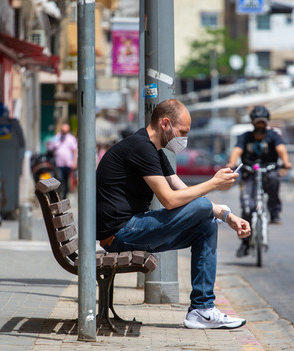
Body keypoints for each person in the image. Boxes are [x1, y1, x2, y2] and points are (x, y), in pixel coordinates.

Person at [96, 99, 251, 330]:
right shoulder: (141, 147)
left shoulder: (155, 151)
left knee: (206, 226)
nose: (184, 139)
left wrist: (228, 216)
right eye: (183, 132)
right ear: (165, 124)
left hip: (131, 229)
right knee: (201, 209)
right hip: (119, 234)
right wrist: (213, 183)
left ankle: (202, 310)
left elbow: (184, 191)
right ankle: (202, 309)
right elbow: (170, 200)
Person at [226, 105, 291, 258]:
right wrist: (231, 162)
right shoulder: (245, 137)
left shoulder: (273, 136)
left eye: (263, 122)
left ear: (267, 122)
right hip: (249, 173)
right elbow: (237, 151)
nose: (260, 125)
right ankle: (244, 243)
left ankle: (274, 212)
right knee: (247, 208)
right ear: (253, 122)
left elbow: (281, 149)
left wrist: (286, 162)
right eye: (257, 122)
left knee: (275, 179)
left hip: (269, 171)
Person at [47, 123, 78, 199]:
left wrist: (74, 162)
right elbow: (50, 148)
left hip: (68, 164)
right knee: (60, 179)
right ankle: (59, 195)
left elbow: (75, 151)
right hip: (58, 163)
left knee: (66, 180)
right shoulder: (56, 138)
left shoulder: (71, 139)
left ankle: (65, 195)